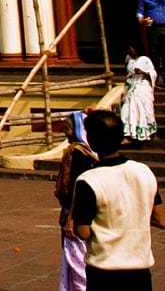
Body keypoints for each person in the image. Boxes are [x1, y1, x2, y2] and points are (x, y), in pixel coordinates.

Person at [72, 108, 165, 287]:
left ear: (91, 141)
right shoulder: (143, 171)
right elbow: (161, 220)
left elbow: (83, 231)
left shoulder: (88, 180)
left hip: (105, 270)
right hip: (140, 271)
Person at [54, 111, 97, 291]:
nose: (65, 132)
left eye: (67, 129)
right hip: (81, 212)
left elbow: (76, 188)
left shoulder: (77, 153)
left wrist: (71, 218)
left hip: (75, 214)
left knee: (77, 261)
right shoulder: (89, 152)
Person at [121, 46, 157, 144]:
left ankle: (149, 133)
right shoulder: (129, 60)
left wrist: (143, 72)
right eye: (128, 50)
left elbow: (153, 73)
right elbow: (128, 74)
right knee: (127, 111)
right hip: (131, 87)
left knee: (144, 110)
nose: (129, 51)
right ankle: (128, 135)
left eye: (131, 49)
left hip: (142, 86)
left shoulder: (145, 60)